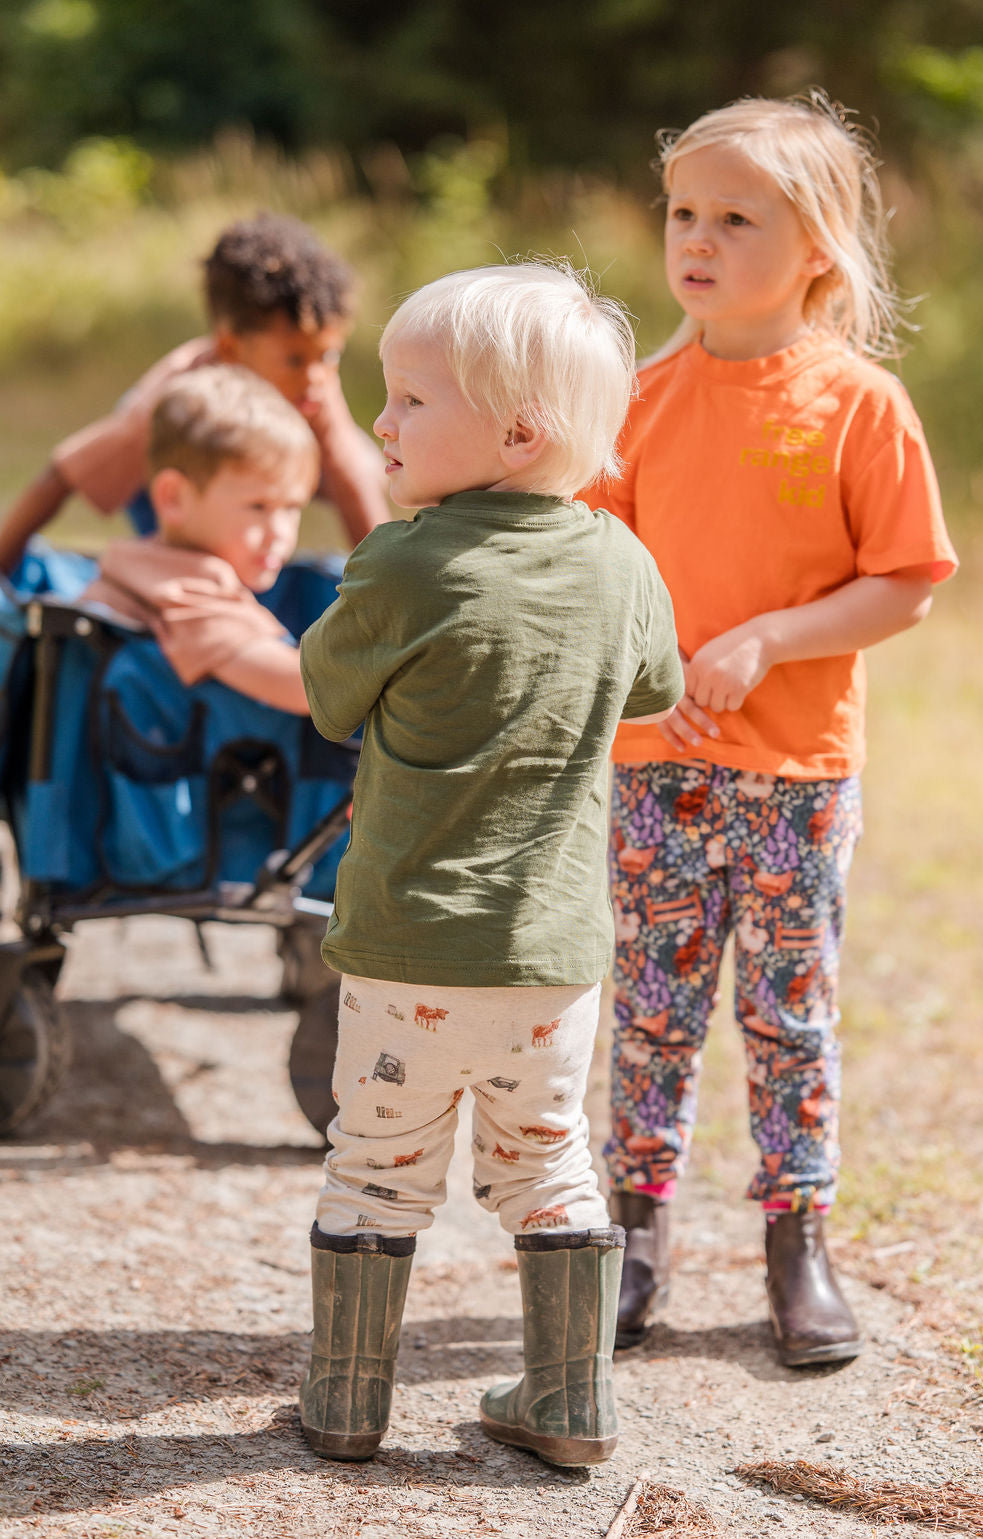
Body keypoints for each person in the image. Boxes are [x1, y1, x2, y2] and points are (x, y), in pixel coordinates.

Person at [580, 94, 958, 1366]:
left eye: (735, 219)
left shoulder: (858, 404)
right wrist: (647, 677)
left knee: (788, 1017)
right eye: (682, 212)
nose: (696, 238)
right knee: (651, 1008)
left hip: (796, 774)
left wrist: (767, 640)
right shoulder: (633, 403)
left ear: (816, 249)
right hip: (657, 766)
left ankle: (799, 1245)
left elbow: (903, 581)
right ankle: (635, 1233)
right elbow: (601, 573)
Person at [296, 262, 685, 1467]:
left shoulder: (401, 562)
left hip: (405, 949)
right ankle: (569, 1403)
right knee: (549, 1165)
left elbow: (326, 697)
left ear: (518, 432)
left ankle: (347, 1403)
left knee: (375, 1169)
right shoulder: (621, 561)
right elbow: (655, 688)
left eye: (412, 400)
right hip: (548, 964)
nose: (382, 422)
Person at [0, 212, 387, 574]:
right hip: (170, 468)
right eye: (295, 360)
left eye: (329, 355)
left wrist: (392, 586)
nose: (318, 377)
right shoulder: (176, 402)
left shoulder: (312, 385)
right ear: (231, 349)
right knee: (202, 563)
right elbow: (61, 475)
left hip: (265, 457)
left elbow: (351, 480)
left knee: (375, 467)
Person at [80, 365, 318, 714]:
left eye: (292, 507)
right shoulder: (188, 595)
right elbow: (310, 692)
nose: (280, 532)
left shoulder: (138, 565)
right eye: (258, 506)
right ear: (174, 498)